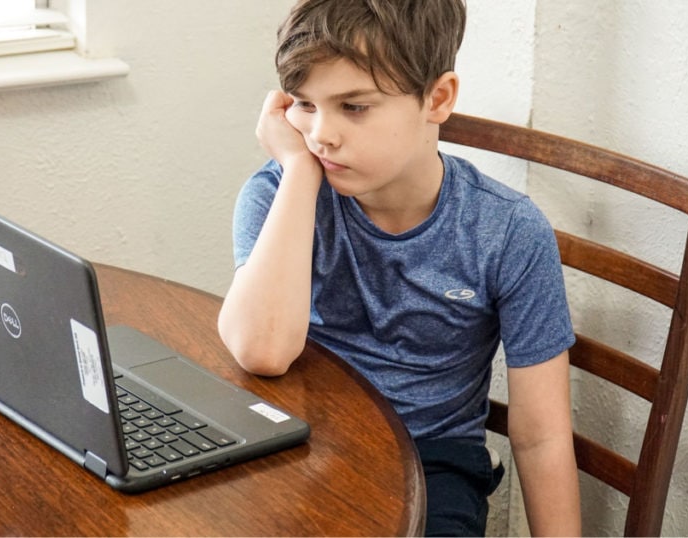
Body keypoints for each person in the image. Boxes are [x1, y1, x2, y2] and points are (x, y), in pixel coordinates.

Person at [216, 0, 582, 535]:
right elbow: (262, 350)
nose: (322, 135)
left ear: (437, 98)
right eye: (304, 104)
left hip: (432, 462)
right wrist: (297, 171)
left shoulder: (507, 232)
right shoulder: (278, 194)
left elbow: (541, 436)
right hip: (295, 441)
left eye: (354, 106)